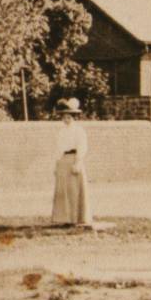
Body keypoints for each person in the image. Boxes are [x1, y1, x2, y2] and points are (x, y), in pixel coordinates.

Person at [51, 97, 92, 228]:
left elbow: (82, 147)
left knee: (74, 190)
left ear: (74, 117)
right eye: (64, 117)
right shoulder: (61, 131)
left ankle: (76, 218)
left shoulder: (79, 131)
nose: (66, 120)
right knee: (63, 191)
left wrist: (78, 162)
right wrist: (56, 164)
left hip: (74, 159)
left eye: (69, 117)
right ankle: (65, 218)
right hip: (63, 161)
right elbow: (58, 149)